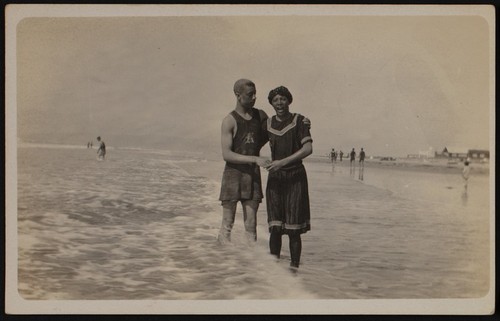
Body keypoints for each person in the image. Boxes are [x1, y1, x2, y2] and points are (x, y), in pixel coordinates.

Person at [263, 86, 313, 269]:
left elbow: (308, 149)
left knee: (293, 230)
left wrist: (281, 163)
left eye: (283, 99)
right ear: (271, 103)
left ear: (289, 101)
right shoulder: (267, 124)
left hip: (295, 178)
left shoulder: (299, 121)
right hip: (275, 179)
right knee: (275, 229)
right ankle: (274, 271)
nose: (279, 103)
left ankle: (294, 270)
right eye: (275, 100)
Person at [217, 79, 271, 244]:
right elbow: (227, 154)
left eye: (255, 94)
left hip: (252, 176)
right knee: (227, 223)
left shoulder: (260, 116)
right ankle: (223, 262)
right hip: (232, 175)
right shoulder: (229, 120)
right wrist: (255, 158)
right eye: (250, 94)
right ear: (238, 95)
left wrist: (300, 122)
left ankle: (251, 266)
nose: (254, 97)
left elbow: (276, 129)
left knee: (251, 224)